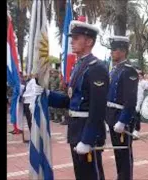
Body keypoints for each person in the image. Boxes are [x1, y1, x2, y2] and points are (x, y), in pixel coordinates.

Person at [31, 20, 109, 180]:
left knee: (91, 175)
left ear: (89, 41)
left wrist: (88, 139)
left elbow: (98, 108)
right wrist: (47, 94)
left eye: (76, 37)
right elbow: (70, 100)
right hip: (76, 129)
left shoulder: (97, 68)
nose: (72, 41)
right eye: (72, 37)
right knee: (81, 175)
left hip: (87, 131)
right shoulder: (79, 66)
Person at [106, 35, 138, 180]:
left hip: (120, 116)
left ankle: (125, 177)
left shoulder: (129, 71)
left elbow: (130, 100)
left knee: (124, 152)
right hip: (112, 115)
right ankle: (121, 176)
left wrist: (123, 120)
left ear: (123, 51)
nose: (112, 53)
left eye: (115, 50)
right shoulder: (114, 70)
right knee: (117, 151)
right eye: (112, 50)